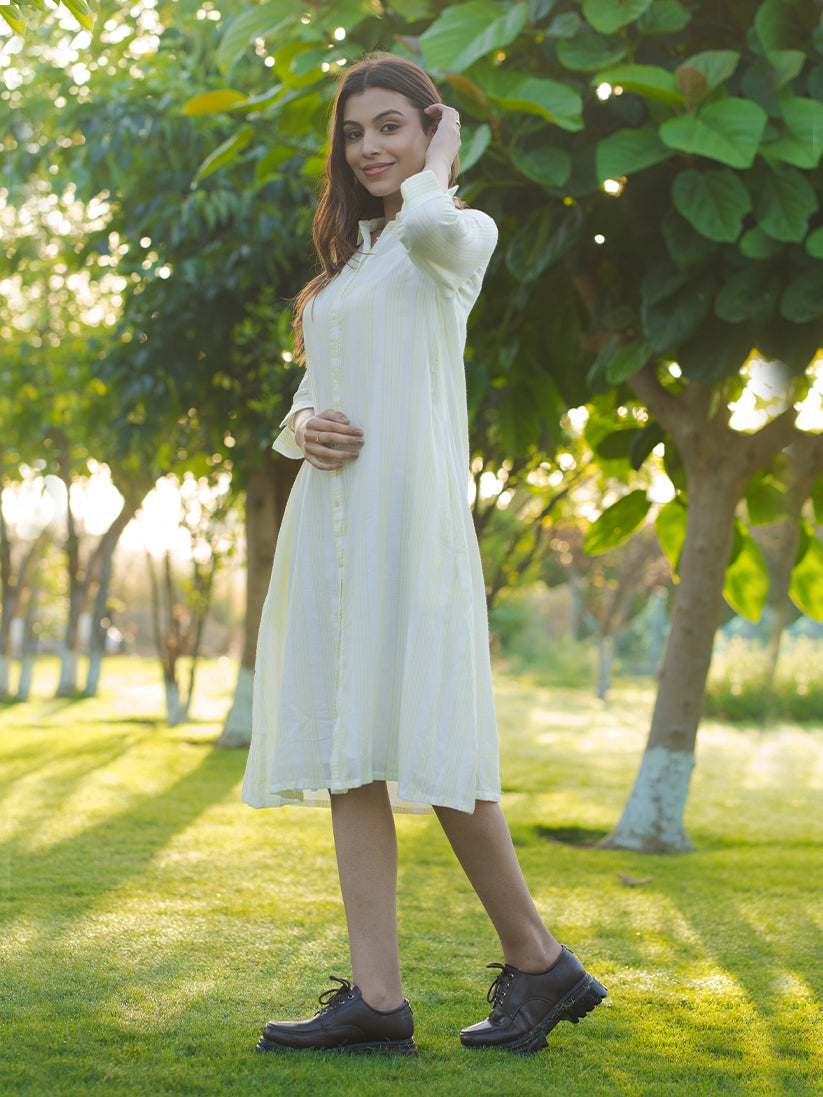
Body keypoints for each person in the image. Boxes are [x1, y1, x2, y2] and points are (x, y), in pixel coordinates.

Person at [241, 53, 606, 1056]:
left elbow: (437, 222)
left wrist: (439, 157)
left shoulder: (450, 234)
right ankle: (377, 997)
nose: (369, 148)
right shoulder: (349, 264)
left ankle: (539, 959)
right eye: (355, 133)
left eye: (391, 126)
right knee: (347, 761)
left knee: (442, 755)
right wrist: (305, 424)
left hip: (411, 530)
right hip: (335, 532)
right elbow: (315, 391)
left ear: (429, 131)